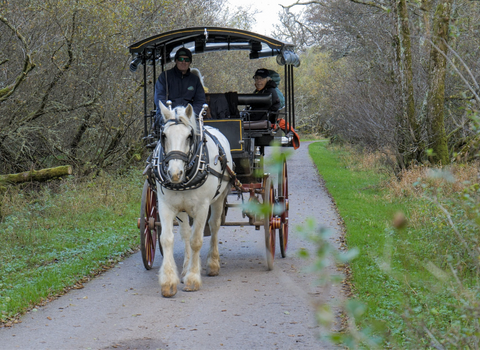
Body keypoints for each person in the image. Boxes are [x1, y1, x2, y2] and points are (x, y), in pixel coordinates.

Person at [154, 47, 206, 117]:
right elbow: (159, 98)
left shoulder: (195, 80)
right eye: (180, 59)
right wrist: (169, 113)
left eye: (186, 60)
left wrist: (192, 114)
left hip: (189, 117)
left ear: (190, 62)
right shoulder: (164, 77)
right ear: (176, 61)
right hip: (168, 116)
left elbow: (200, 100)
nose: (183, 62)